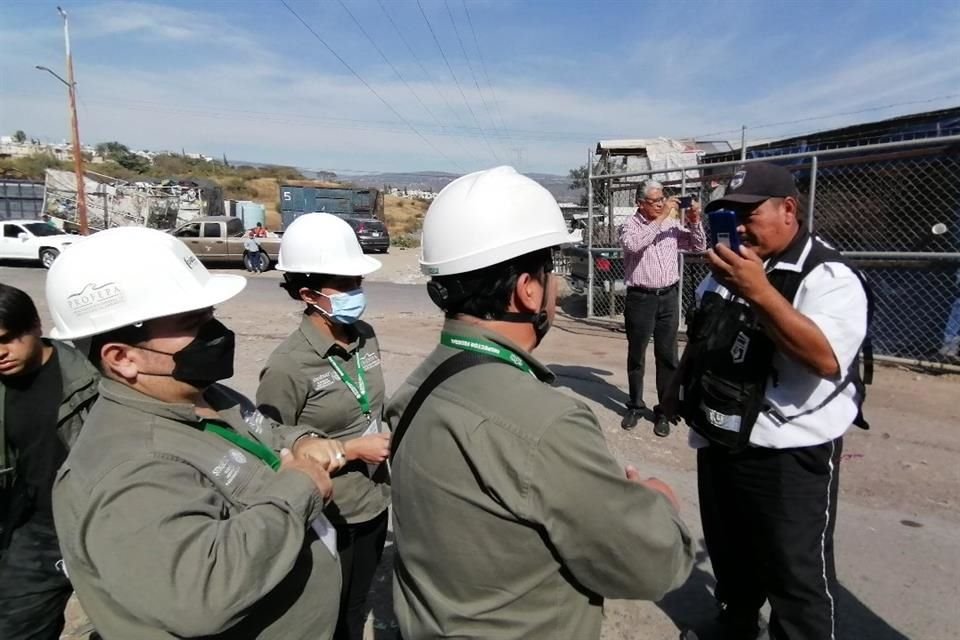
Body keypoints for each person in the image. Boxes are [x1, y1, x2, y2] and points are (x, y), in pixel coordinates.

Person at [386, 166, 695, 640]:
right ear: (528, 290)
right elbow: (653, 565)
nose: (556, 287)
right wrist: (658, 505)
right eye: (551, 272)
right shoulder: (545, 424)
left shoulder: (417, 385)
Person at [47, 226, 349, 639]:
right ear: (123, 359)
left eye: (211, 317)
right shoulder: (132, 467)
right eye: (194, 323)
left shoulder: (200, 393)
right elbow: (202, 594)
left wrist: (299, 442)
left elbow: (262, 432)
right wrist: (299, 488)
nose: (216, 333)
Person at [673, 162, 870, 640]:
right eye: (728, 215)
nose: (737, 226)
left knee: (795, 574)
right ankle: (735, 621)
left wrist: (758, 292)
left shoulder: (828, 276)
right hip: (722, 437)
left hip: (788, 452)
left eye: (748, 213)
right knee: (731, 554)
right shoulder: (727, 270)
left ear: (788, 209)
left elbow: (824, 358)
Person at [257, 212, 390, 640]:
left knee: (355, 607)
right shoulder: (289, 365)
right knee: (326, 616)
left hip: (375, 501)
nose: (357, 293)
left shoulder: (364, 335)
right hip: (329, 513)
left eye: (359, 283)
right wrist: (351, 451)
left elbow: (372, 406)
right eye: (346, 285)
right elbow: (269, 442)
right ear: (308, 293)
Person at [0, 284, 99, 640]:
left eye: (8, 338)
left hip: (98, 523)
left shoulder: (92, 376)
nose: (0, 353)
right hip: (34, 529)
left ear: (36, 326)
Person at [619, 180, 706, 436]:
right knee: (637, 354)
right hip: (641, 298)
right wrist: (661, 219)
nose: (660, 204)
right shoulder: (630, 225)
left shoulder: (670, 223)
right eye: (655, 201)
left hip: (668, 296)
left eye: (662, 199)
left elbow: (697, 246)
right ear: (640, 203)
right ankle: (635, 405)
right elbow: (633, 245)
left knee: (667, 356)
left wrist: (694, 220)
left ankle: (664, 410)